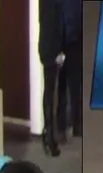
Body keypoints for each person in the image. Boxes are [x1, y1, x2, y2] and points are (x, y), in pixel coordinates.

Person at [37, 0, 64, 156]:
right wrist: (57, 52)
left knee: (49, 93)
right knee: (50, 95)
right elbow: (52, 26)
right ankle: (49, 134)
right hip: (50, 50)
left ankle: (48, 132)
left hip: (47, 48)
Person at [57, 0, 83, 140]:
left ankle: (75, 124)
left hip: (74, 44)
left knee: (74, 87)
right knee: (64, 87)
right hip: (65, 44)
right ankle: (63, 126)